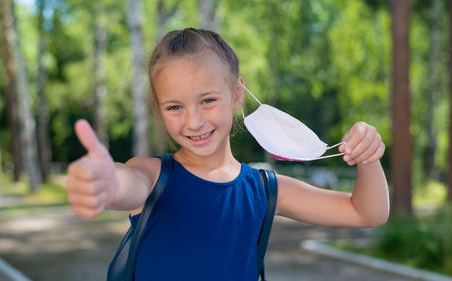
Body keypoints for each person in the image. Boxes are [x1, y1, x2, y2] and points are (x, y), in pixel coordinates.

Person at [64, 28, 389, 280]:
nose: (194, 121)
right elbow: (125, 183)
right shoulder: (152, 176)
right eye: (175, 106)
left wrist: (368, 156)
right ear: (158, 105)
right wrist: (106, 181)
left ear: (236, 93)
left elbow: (365, 213)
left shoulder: (264, 190)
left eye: (208, 100)